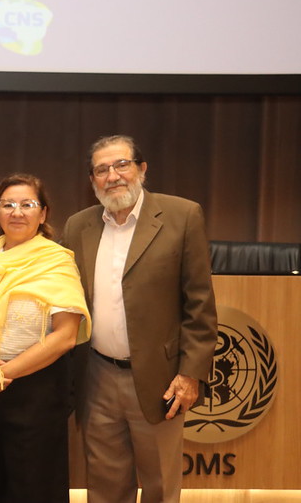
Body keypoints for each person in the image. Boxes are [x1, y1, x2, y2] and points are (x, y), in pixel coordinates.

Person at [62, 135, 218, 503]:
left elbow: (200, 304)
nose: (113, 176)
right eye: (102, 169)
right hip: (96, 376)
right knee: (105, 486)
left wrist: (190, 374)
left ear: (142, 169)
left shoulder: (182, 216)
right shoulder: (77, 226)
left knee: (160, 486)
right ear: (92, 180)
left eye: (122, 165)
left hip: (160, 378)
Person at [0, 173, 91, 503]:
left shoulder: (56, 262)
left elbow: (66, 336)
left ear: (43, 213)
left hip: (36, 390)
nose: (17, 212)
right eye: (7, 204)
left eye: (28, 204)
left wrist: (2, 374)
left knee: (35, 486)